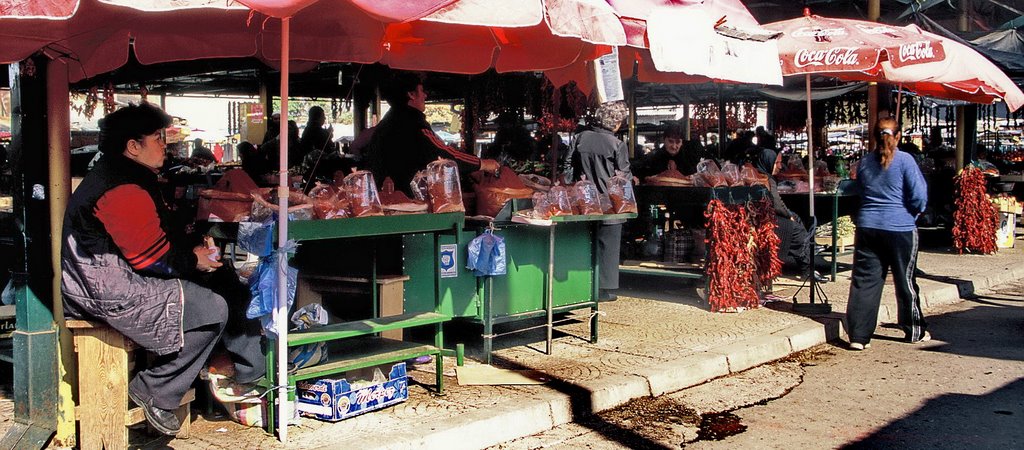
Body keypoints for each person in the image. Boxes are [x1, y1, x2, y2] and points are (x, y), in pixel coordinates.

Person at [60, 103, 263, 436]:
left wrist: (195, 251)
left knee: (223, 279)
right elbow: (148, 259)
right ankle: (154, 390)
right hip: (106, 291)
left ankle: (249, 375)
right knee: (211, 308)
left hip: (118, 279)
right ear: (133, 146)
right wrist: (192, 260)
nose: (164, 145)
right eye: (157, 138)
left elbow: (155, 240)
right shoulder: (119, 187)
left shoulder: (129, 176)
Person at [846, 117, 929, 351]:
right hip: (900, 228)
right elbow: (919, 196)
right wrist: (914, 213)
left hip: (868, 227)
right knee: (905, 280)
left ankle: (858, 337)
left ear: (873, 136)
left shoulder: (864, 162)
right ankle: (913, 330)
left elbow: (859, 191)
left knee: (865, 281)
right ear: (899, 136)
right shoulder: (905, 161)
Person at [365, 72, 498, 195]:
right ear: (411, 94)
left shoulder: (388, 122)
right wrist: (482, 164)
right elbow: (444, 154)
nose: (425, 95)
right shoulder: (413, 123)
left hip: (383, 195)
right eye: (422, 91)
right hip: (406, 201)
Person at [567, 101, 632, 302]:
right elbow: (624, 175)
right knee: (608, 246)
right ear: (616, 123)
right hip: (609, 204)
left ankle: (581, 285)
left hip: (583, 202)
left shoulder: (579, 138)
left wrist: (574, 182)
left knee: (584, 243)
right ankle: (604, 289)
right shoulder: (617, 144)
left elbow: (567, 166)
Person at [748, 148, 827, 284]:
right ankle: (807, 265)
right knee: (794, 228)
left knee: (796, 219)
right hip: (763, 221)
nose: (780, 166)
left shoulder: (762, 176)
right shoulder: (764, 179)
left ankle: (807, 257)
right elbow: (776, 204)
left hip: (763, 217)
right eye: (777, 163)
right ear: (768, 162)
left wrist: (790, 214)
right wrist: (788, 215)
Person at [631, 124, 700, 178]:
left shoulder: (690, 160)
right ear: (664, 140)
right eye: (670, 141)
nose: (674, 146)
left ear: (682, 142)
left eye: (678, 142)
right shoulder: (653, 158)